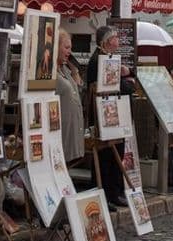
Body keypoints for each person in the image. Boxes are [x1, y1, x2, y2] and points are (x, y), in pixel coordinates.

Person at [85, 26, 134, 208]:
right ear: (106, 41)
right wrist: (128, 83)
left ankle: (114, 192)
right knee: (105, 155)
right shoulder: (99, 59)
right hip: (102, 114)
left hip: (112, 111)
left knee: (115, 153)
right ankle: (105, 193)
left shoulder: (107, 58)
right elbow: (116, 86)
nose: (118, 40)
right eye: (114, 37)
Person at [54, 31, 86, 163]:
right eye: (66, 48)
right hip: (61, 133)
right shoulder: (50, 72)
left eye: (70, 48)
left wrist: (75, 70)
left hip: (73, 132)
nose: (69, 52)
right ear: (56, 47)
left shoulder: (65, 70)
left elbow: (78, 89)